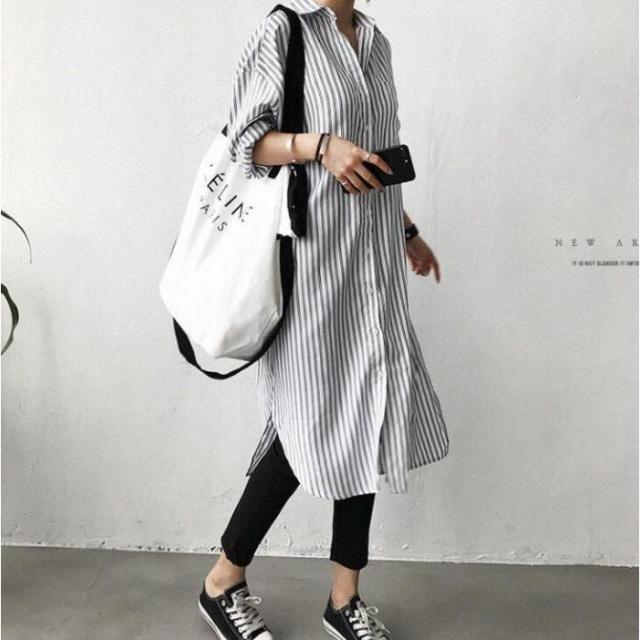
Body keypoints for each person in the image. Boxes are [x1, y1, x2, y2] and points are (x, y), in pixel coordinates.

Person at [197, 1, 450, 638]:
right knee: (303, 422)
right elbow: (245, 142)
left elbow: (375, 160)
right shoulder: (283, 30)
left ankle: (345, 599)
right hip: (311, 269)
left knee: (366, 414)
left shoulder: (376, 43)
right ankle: (223, 578)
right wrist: (321, 146)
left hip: (374, 271)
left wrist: (407, 231)